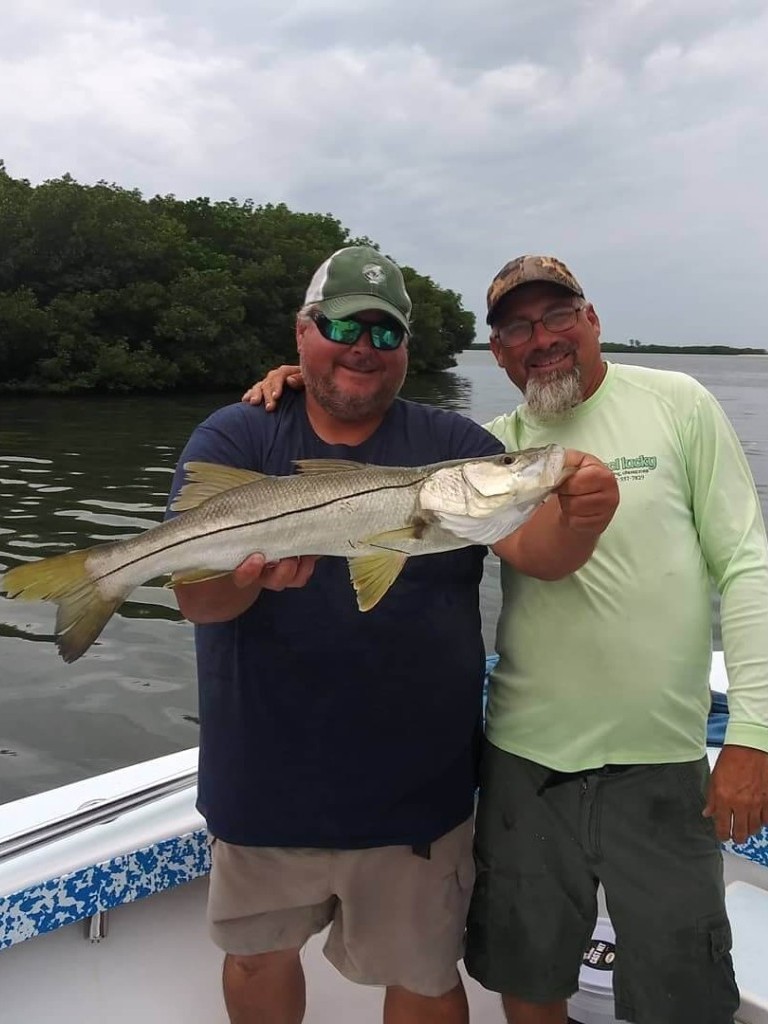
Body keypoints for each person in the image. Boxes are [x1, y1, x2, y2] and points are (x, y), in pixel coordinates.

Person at [244, 254, 768, 1024]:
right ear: (496, 352)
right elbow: (382, 460)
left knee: (683, 996)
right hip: (524, 761)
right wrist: (301, 381)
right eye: (517, 326)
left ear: (592, 320)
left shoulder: (678, 402)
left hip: (662, 757)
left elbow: (747, 562)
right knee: (529, 977)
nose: (542, 338)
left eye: (559, 315)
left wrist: (753, 732)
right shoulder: (488, 447)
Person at [169, 245, 619, 1024]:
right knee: (256, 958)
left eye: (385, 334)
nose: (362, 348)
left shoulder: (456, 447)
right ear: (303, 333)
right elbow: (198, 602)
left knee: (423, 973)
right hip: (263, 779)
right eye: (343, 325)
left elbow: (539, 555)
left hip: (417, 794)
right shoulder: (239, 436)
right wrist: (240, 584)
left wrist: (579, 518)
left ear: (407, 350)